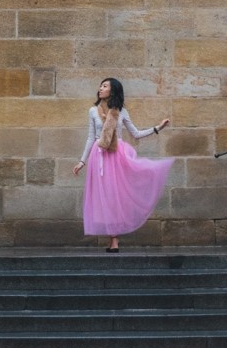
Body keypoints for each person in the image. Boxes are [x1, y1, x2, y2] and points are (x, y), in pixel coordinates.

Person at [73, 77, 172, 252]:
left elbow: (136, 133)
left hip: (116, 155)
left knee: (114, 196)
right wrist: (82, 161)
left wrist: (157, 128)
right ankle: (113, 239)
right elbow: (91, 138)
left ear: (113, 90)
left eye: (105, 86)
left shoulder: (121, 111)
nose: (100, 88)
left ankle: (114, 240)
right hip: (99, 156)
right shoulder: (93, 111)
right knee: (103, 197)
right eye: (100, 85)